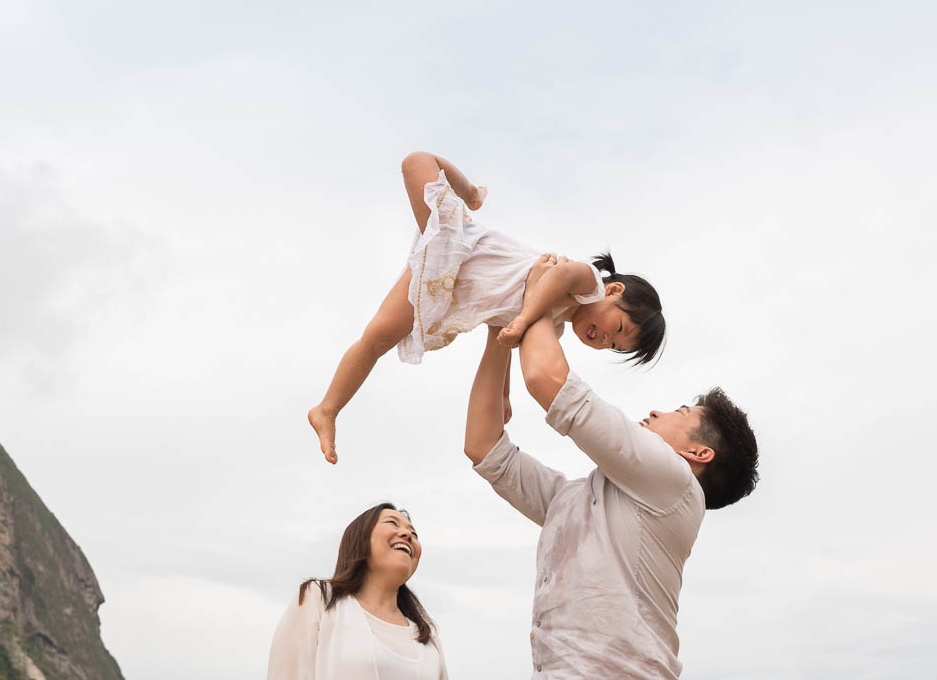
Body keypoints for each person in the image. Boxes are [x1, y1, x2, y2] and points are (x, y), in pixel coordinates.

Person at [463, 254, 760, 679]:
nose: (658, 412)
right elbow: (484, 448)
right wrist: (500, 327)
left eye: (680, 411)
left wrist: (536, 295)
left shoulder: (675, 483)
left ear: (699, 454)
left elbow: (547, 380)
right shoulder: (583, 500)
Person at [310, 151, 666, 463]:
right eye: (617, 328)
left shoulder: (551, 328)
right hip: (460, 247)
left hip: (444, 290)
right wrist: (526, 315)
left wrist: (504, 393)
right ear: (613, 291)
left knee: (376, 339)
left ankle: (327, 408)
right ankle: (470, 193)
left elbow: (503, 335)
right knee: (416, 162)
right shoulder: (587, 283)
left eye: (613, 346)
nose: (604, 338)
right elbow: (553, 280)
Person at [267, 503, 448, 680]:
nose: (407, 534)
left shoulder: (427, 638)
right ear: (360, 540)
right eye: (392, 523)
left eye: (414, 533)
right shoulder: (319, 599)